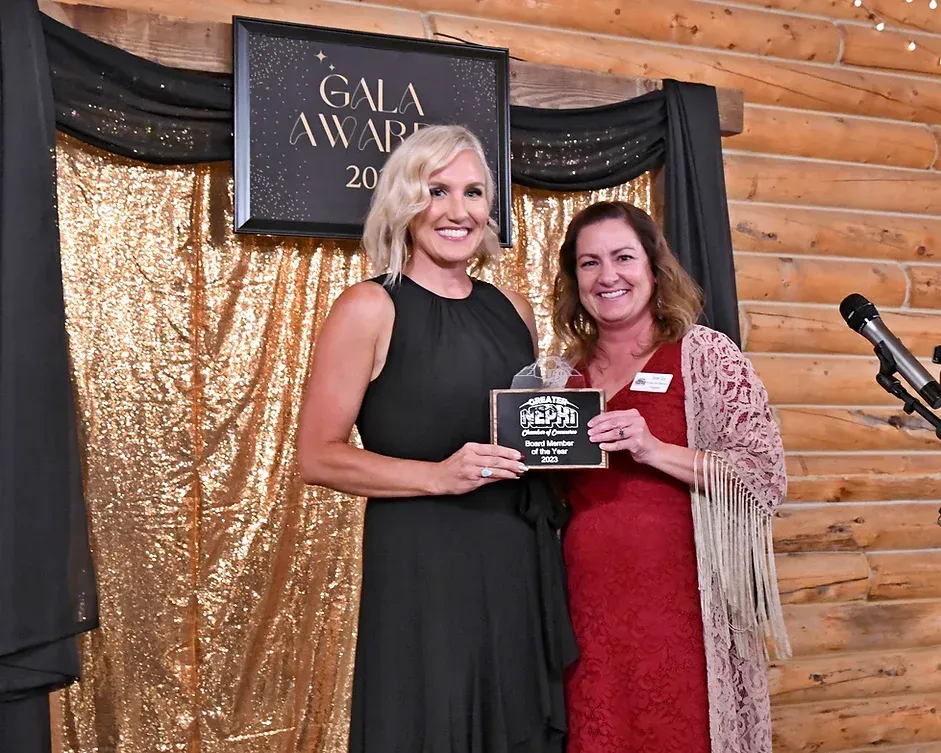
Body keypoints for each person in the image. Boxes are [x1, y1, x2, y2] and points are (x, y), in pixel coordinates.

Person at [297, 125, 576, 753]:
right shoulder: (368, 306)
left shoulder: (514, 308)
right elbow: (318, 456)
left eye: (474, 192)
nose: (459, 211)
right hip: (425, 563)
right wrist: (437, 476)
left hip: (516, 555)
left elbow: (529, 434)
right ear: (404, 203)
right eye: (437, 190)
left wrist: (582, 433)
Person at [551, 201, 790, 753]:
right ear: (574, 279)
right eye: (589, 263)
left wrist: (653, 448)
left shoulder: (702, 355)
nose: (608, 276)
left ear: (654, 270)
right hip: (587, 614)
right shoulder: (562, 376)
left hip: (686, 612)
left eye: (623, 257)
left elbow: (763, 478)